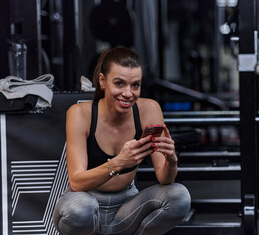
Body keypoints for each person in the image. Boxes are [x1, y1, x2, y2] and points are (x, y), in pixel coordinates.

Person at [52, 46, 191, 235]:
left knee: (179, 196)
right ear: (102, 81)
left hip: (127, 208)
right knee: (80, 208)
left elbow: (164, 179)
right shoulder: (80, 113)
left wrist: (171, 161)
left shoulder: (149, 109)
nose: (128, 93)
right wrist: (118, 163)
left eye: (135, 85)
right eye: (119, 83)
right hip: (86, 203)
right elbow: (77, 183)